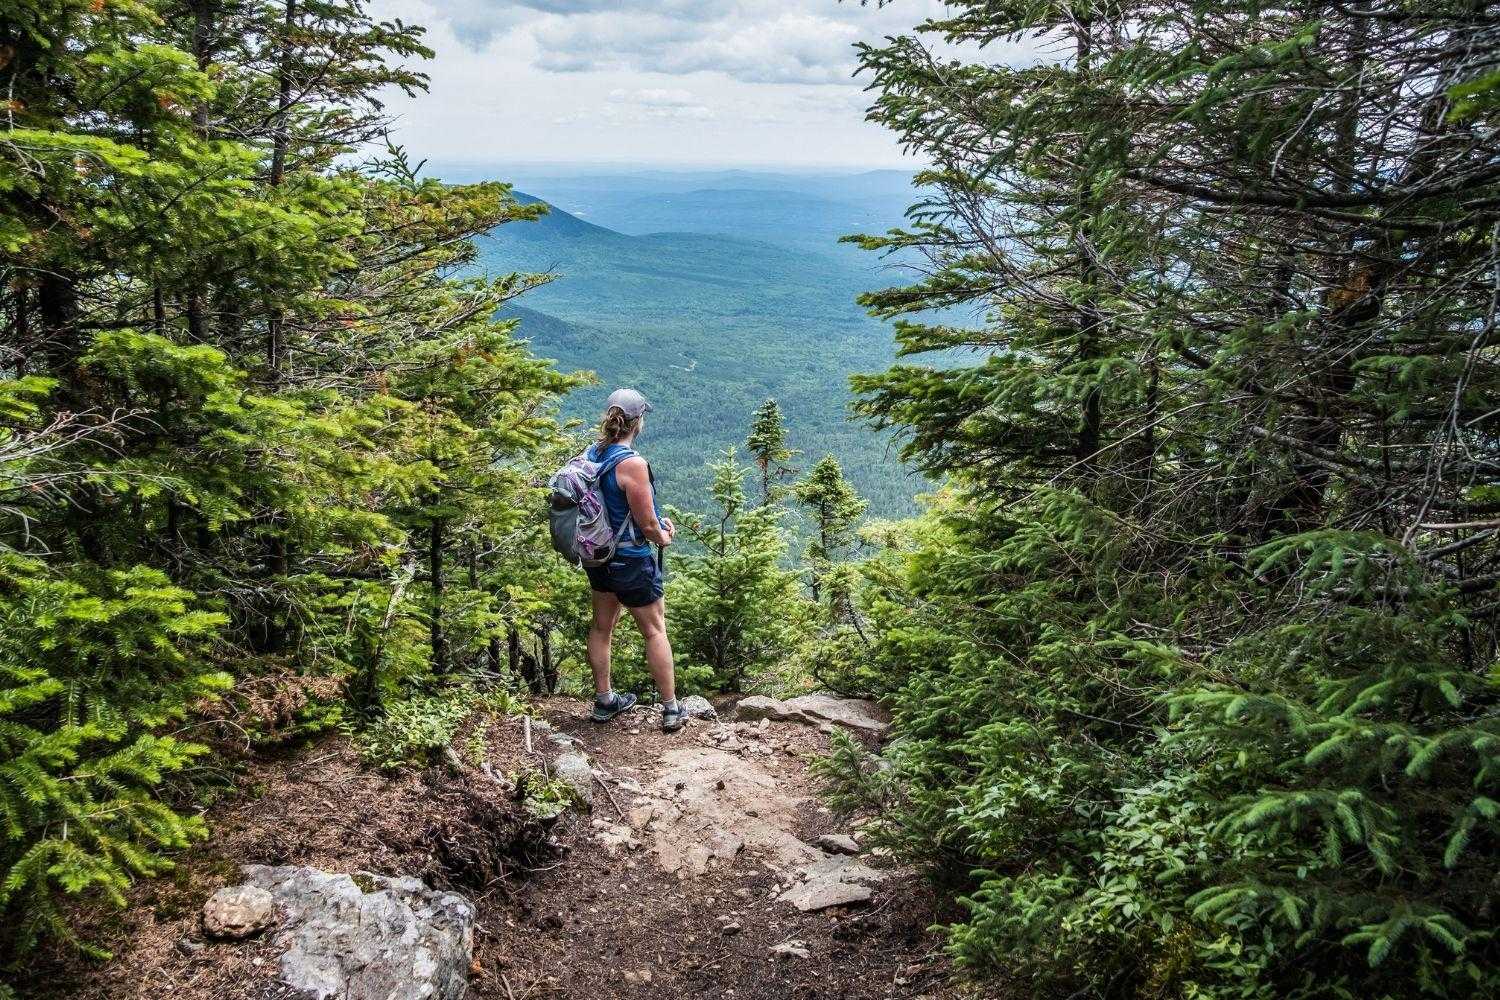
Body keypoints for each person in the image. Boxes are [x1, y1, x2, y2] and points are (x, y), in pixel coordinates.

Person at [583, 388, 686, 732]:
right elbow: (648, 525)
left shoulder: (592, 454)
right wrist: (664, 536)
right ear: (637, 421)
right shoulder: (633, 464)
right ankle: (671, 708)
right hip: (630, 560)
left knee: (602, 627)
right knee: (655, 630)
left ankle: (604, 700)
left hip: (598, 557)